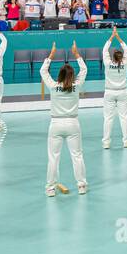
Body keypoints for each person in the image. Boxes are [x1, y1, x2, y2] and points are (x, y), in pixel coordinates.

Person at [42, 43, 88, 197]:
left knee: (53, 158)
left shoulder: (54, 87)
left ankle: (50, 188)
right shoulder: (77, 86)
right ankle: (81, 185)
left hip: (56, 124)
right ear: (72, 76)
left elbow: (43, 71)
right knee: (77, 156)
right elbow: (84, 70)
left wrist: (51, 55)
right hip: (73, 124)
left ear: (60, 76)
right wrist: (76, 54)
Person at [101, 27, 127, 149]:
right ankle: (126, 141)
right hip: (122, 92)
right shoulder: (125, 63)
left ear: (113, 57)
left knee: (108, 118)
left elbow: (104, 50)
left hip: (109, 93)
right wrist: (118, 37)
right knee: (124, 118)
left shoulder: (108, 63)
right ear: (122, 57)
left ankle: (106, 143)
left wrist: (112, 36)